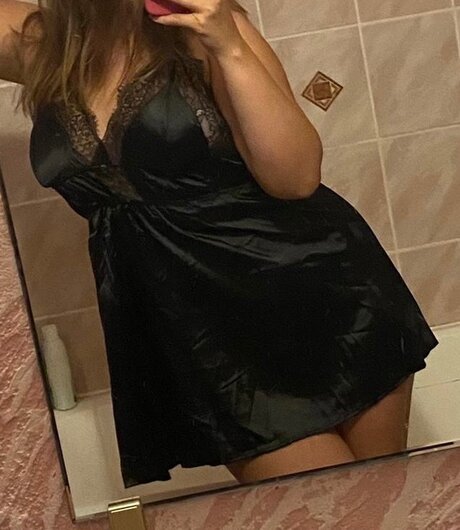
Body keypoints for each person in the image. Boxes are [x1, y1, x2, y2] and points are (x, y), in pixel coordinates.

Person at [0, 0, 439, 488]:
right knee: (339, 506)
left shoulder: (207, 27)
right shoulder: (41, 42)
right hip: (208, 342)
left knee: (371, 502)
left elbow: (295, 178)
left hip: (330, 301)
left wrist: (228, 46)